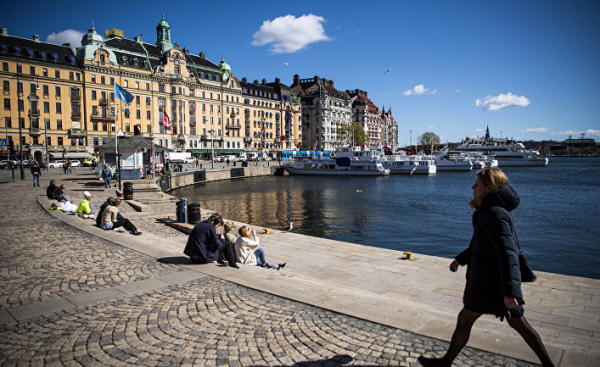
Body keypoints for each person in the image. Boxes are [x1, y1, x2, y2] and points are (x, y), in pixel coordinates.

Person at [418, 168, 555, 367]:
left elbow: (508, 253)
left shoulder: (494, 213)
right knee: (513, 323)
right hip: (491, 281)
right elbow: (481, 243)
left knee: (476, 321)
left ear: (489, 187)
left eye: (477, 184)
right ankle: (445, 362)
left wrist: (510, 291)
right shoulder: (490, 210)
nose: (473, 187)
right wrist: (461, 259)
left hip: (491, 283)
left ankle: (445, 363)